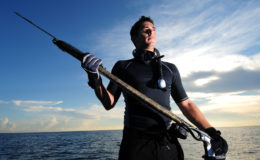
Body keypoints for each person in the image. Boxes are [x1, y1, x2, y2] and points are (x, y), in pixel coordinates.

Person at [81, 16, 228, 160]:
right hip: (135, 142)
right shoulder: (123, 66)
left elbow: (187, 104)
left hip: (167, 141)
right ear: (134, 38)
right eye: (146, 30)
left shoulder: (170, 69)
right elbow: (109, 103)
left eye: (153, 29)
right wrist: (95, 79)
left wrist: (211, 132)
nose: (151, 32)